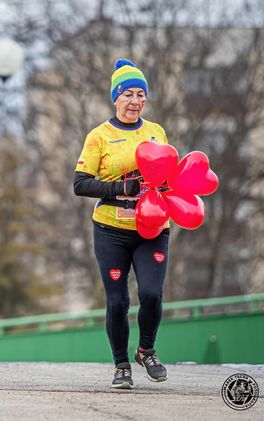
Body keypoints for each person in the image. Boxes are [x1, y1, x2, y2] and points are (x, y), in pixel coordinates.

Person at [73, 58, 170, 389]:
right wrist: (119, 188)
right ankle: (121, 365)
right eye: (128, 94)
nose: (135, 101)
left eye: (141, 95)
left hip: (152, 228)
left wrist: (169, 187)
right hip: (111, 229)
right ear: (115, 98)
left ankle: (147, 350)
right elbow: (80, 183)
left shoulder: (156, 131)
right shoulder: (99, 136)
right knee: (118, 300)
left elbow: (167, 174)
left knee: (152, 294)